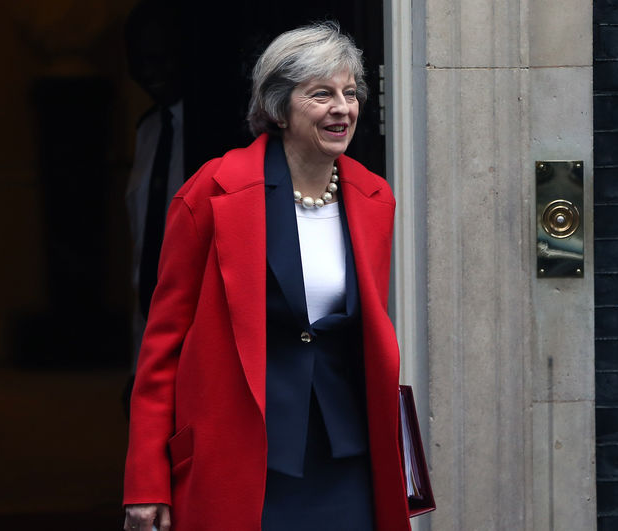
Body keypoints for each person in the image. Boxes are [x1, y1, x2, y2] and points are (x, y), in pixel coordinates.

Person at [123, 22, 411, 531]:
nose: (341, 108)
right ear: (279, 107)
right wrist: (147, 481)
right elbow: (161, 348)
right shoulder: (211, 192)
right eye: (321, 94)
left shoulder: (373, 198)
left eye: (350, 93)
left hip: (348, 457)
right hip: (243, 459)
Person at [123, 0, 187, 384]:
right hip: (150, 337)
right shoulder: (147, 132)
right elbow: (142, 250)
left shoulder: (214, 136)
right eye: (140, 59)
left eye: (162, 56)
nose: (150, 71)